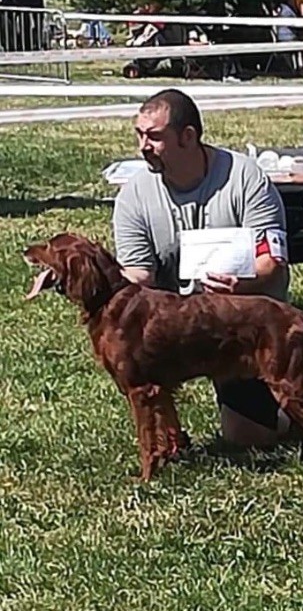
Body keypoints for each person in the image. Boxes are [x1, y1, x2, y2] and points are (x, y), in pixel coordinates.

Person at [112, 89, 292, 449]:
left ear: (188, 136)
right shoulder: (133, 196)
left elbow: (272, 261)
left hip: (240, 326)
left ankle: (286, 408)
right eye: (139, 134)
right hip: (173, 332)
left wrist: (241, 282)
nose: (143, 146)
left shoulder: (245, 178)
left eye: (154, 136)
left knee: (250, 439)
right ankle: (169, 436)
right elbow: (139, 275)